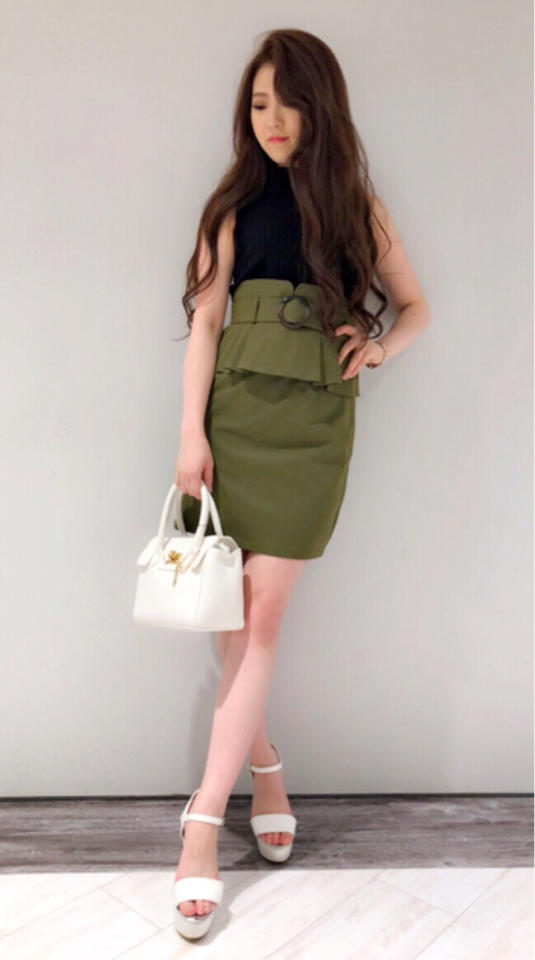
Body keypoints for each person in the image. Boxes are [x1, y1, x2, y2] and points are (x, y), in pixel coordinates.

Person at [171, 28, 431, 940]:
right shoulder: (231, 206)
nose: (272, 119)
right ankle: (266, 770)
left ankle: (201, 827)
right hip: (235, 424)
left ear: (322, 107)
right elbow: (207, 325)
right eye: (257, 103)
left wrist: (379, 348)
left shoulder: (358, 207)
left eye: (287, 101)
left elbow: (416, 307)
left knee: (260, 619)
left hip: (313, 432)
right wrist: (189, 435)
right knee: (230, 620)